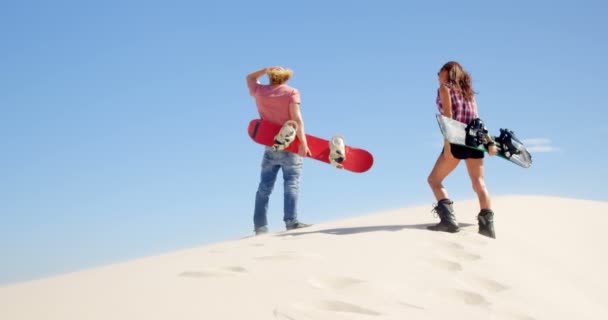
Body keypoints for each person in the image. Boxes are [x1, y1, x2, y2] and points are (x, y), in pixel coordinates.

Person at [427, 61, 497, 239]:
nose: (437, 74)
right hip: (475, 142)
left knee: (434, 180)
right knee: (479, 183)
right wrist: (489, 142)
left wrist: (448, 146)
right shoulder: (469, 93)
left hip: (457, 140)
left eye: (440, 71)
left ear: (448, 72)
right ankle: (487, 228)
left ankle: (449, 222)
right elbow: (478, 120)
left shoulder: (446, 88)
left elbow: (448, 118)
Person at [246, 66, 312, 235]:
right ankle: (291, 222)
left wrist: (264, 70)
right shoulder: (291, 92)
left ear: (271, 77)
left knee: (264, 187)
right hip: (290, 145)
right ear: (286, 78)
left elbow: (250, 78)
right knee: (291, 183)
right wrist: (303, 143)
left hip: (271, 145)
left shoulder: (260, 92)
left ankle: (260, 227)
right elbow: (296, 119)